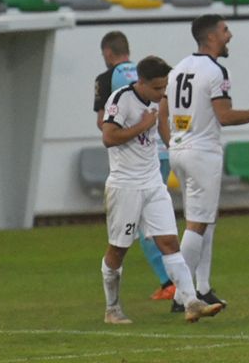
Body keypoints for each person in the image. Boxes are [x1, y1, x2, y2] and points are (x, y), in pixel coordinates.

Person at [98, 55, 222, 325]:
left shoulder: (156, 103)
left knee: (169, 243)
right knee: (118, 249)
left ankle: (190, 302)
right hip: (125, 185)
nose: (162, 92)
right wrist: (142, 126)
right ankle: (112, 308)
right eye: (157, 88)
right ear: (140, 83)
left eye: (164, 87)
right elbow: (108, 137)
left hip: (153, 182)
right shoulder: (121, 100)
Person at [165, 15, 249, 313]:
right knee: (197, 224)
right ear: (210, 37)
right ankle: (182, 295)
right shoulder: (216, 71)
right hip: (202, 152)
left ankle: (203, 287)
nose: (229, 35)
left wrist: (174, 139)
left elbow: (164, 110)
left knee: (203, 221)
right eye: (225, 31)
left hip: (179, 148)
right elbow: (226, 116)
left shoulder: (178, 68)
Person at [92, 32, 174, 302]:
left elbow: (104, 125)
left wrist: (135, 126)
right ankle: (178, 286)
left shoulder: (108, 81)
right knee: (153, 224)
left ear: (107, 53)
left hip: (132, 164)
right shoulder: (151, 75)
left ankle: (169, 282)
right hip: (158, 154)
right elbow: (161, 119)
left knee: (144, 228)